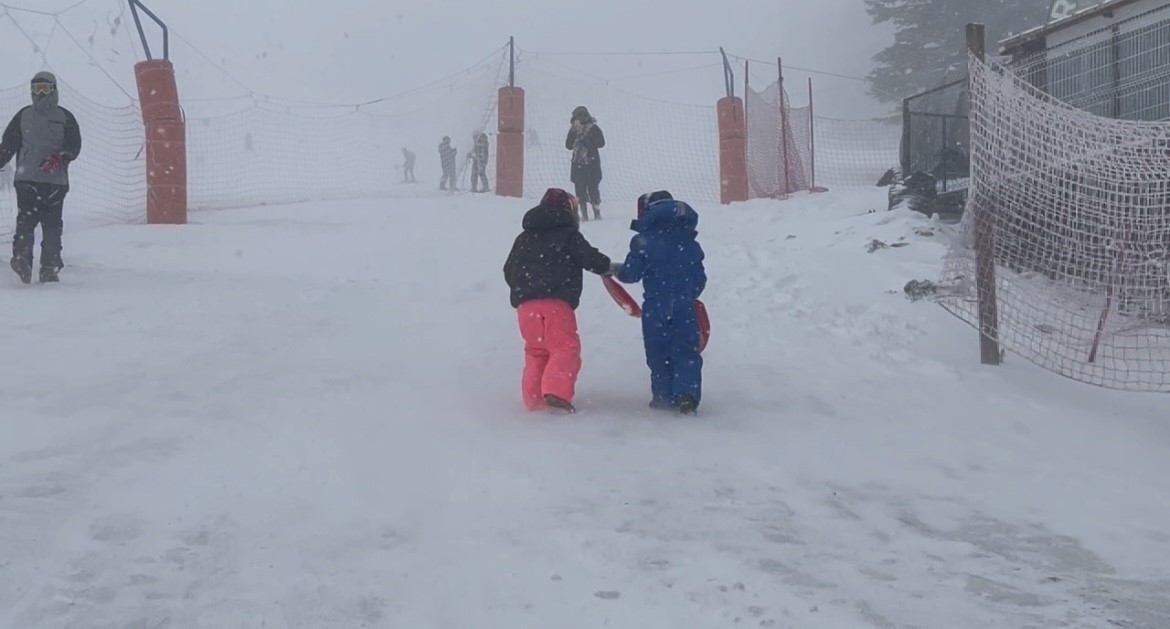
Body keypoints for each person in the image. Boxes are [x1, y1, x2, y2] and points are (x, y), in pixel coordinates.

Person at [503, 187, 612, 413]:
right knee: (565, 348)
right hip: (556, 304)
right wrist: (606, 266)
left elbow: (508, 270)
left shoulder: (524, 238)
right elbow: (588, 257)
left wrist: (524, 289)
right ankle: (556, 393)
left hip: (526, 307)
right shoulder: (568, 235)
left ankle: (533, 399)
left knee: (536, 351)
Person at [611, 190, 706, 414]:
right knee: (686, 351)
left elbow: (631, 275)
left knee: (658, 350)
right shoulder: (690, 242)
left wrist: (616, 270)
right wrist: (688, 293)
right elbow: (700, 279)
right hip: (684, 304)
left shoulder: (644, 240)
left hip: (655, 305)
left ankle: (662, 396)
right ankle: (686, 394)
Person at [0, 71, 81, 284]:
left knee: (52, 225)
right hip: (27, 179)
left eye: (45, 88)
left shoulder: (65, 117)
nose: (41, 94)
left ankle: (49, 266)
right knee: (25, 221)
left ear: (54, 89)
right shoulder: (24, 115)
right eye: (37, 89)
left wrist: (63, 157)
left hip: (55, 182)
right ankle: (22, 260)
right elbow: (8, 144)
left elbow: (74, 144)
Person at [564, 106, 604, 221]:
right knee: (580, 190)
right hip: (578, 164)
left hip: (592, 164)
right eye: (577, 116)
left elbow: (601, 142)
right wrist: (573, 132)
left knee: (593, 188)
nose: (580, 118)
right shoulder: (573, 130)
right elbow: (568, 145)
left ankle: (597, 213)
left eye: (582, 115)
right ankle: (584, 215)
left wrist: (588, 143)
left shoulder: (594, 128)